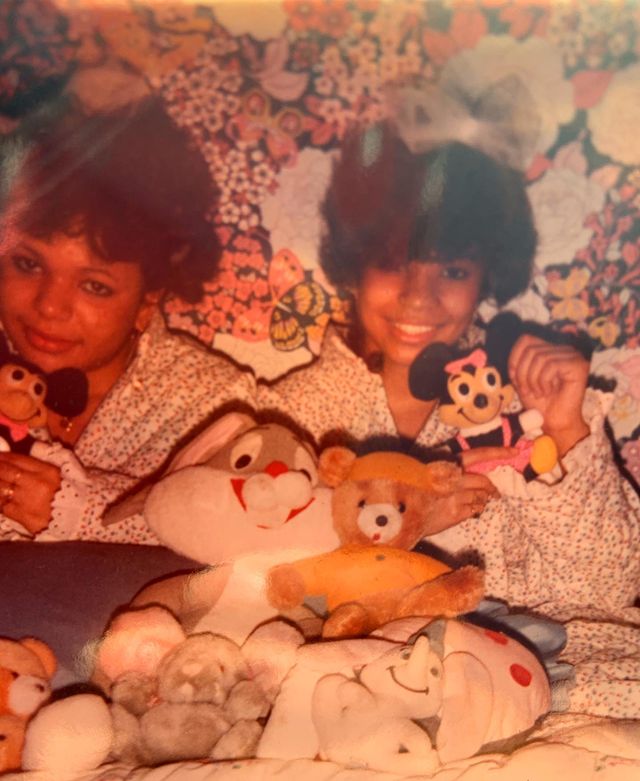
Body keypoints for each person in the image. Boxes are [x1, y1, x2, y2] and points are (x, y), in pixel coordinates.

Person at [259, 121, 640, 622]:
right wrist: (412, 508)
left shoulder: (533, 403)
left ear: (486, 278)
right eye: (392, 264)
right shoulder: (291, 418)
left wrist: (566, 429)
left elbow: (607, 592)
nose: (418, 298)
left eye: (453, 271)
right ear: (355, 268)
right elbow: (246, 570)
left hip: (536, 670)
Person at [0, 97, 255, 543]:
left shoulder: (206, 402)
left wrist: (79, 508)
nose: (50, 307)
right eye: (27, 264)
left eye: (93, 285)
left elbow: (245, 523)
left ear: (146, 301)